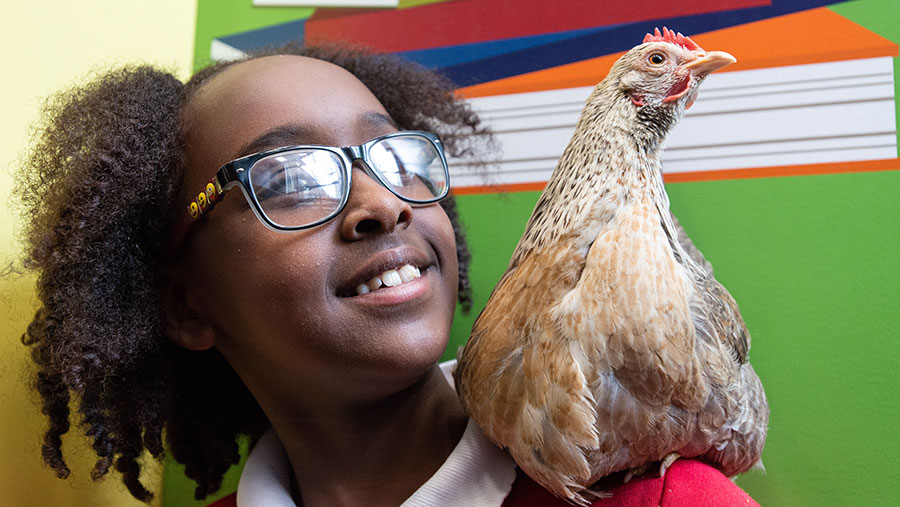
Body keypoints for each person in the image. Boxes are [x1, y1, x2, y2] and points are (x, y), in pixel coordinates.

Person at [16, 45, 760, 506]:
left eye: (395, 158)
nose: (381, 204)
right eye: (292, 176)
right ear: (186, 304)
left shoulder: (665, 498)